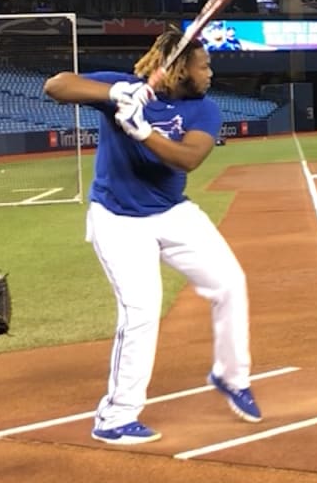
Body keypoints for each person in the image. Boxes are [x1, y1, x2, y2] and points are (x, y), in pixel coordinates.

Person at [42, 30, 261, 446]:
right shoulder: (123, 83)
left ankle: (231, 377)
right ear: (180, 69)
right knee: (141, 311)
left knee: (230, 283)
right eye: (204, 66)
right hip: (118, 217)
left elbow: (189, 159)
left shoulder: (204, 109)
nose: (210, 73)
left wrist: (143, 132)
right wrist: (118, 93)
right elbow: (56, 85)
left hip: (171, 211)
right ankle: (115, 417)